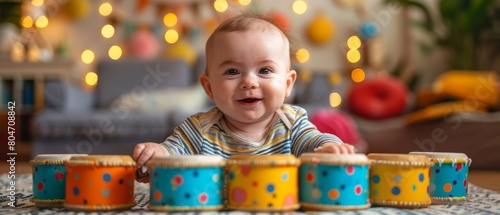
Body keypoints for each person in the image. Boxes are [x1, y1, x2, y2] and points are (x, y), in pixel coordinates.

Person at [133, 13, 355, 182]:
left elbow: (313, 142)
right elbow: (173, 151)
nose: (249, 82)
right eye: (232, 72)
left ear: (288, 84)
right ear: (208, 88)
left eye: (265, 71)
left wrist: (329, 147)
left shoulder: (292, 124)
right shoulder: (199, 129)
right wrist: (157, 153)